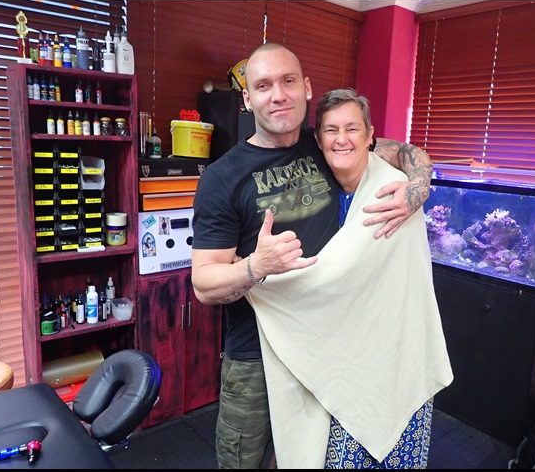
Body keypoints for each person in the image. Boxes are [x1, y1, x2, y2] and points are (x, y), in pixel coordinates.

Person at [191, 43, 434, 469]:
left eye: (287, 81)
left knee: (308, 457)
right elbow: (204, 284)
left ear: (305, 87)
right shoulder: (222, 178)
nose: (278, 95)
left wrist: (419, 184)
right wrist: (256, 266)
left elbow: (400, 150)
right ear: (247, 98)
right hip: (256, 353)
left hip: (326, 344)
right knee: (243, 460)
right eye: (263, 86)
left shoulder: (324, 144)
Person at [245, 88, 453, 468]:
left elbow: (411, 152)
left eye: (352, 128)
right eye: (331, 130)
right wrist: (256, 271)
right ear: (318, 138)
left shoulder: (394, 195)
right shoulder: (317, 176)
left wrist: (419, 185)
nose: (342, 139)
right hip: (342, 353)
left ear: (369, 135)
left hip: (390, 351)